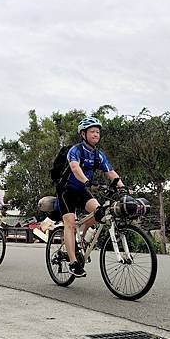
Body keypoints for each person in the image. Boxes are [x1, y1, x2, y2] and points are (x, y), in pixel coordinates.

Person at [56, 117, 127, 277]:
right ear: (83, 134)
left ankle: (81, 234)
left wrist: (123, 188)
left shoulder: (98, 155)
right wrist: (87, 181)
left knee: (100, 213)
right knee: (70, 223)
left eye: (98, 132)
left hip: (82, 189)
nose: (96, 134)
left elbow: (110, 172)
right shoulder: (75, 150)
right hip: (67, 190)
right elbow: (75, 168)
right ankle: (73, 261)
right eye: (92, 131)